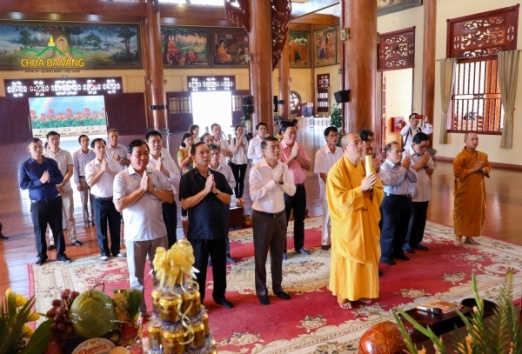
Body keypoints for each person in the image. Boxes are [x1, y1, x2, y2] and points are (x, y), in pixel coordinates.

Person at [113, 139, 174, 323]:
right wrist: (141, 190)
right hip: (135, 235)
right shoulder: (121, 178)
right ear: (130, 156)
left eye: (146, 153)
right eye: (138, 154)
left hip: (158, 232)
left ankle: (159, 309)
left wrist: (152, 189)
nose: (143, 157)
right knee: (137, 278)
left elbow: (170, 197)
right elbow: (119, 204)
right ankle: (141, 311)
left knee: (160, 276)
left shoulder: (156, 173)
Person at [326, 133, 383, 309]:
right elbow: (339, 201)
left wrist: (372, 190)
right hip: (348, 225)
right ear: (345, 148)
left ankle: (364, 291)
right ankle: (345, 294)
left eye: (361, 142)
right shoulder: (336, 171)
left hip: (365, 219)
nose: (361, 145)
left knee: (367, 256)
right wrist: (361, 189)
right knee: (349, 260)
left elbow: (379, 189)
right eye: (356, 143)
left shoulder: (366, 166)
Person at [180, 142, 234, 309]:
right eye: (201, 153)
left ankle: (219, 296)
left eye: (207, 152)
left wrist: (215, 191)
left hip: (218, 229)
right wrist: (205, 190)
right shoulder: (187, 178)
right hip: (198, 232)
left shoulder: (218, 177)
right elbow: (185, 204)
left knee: (219, 267)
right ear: (194, 157)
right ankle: (198, 300)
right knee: (199, 270)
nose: (206, 155)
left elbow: (228, 199)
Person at [250, 137, 296, 305]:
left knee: (278, 254)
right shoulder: (256, 169)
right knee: (261, 256)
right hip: (262, 217)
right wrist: (273, 182)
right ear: (263, 151)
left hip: (280, 216)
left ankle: (278, 287)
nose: (277, 151)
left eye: (278, 147)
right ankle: (261, 289)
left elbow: (292, 191)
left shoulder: (283, 166)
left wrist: (282, 181)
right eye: (272, 148)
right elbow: (254, 195)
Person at [19, 138, 72, 266]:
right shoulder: (25, 166)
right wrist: (39, 181)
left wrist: (50, 180)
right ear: (28, 149)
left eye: (40, 146)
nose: (38, 149)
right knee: (40, 231)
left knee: (58, 229)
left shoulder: (51, 162)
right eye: (35, 147)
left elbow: (59, 177)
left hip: (54, 201)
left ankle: (61, 254)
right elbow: (23, 184)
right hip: (38, 204)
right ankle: (42, 256)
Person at [378, 141, 417, 265]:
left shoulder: (403, 165)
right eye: (397, 152)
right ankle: (386, 255)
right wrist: (404, 168)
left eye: (401, 151)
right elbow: (392, 181)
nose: (400, 154)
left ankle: (398, 251)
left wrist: (407, 167)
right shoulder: (384, 167)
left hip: (405, 198)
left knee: (403, 227)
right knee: (389, 228)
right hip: (391, 199)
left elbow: (414, 179)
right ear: (388, 154)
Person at [85, 138, 124, 261]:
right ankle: (104, 253)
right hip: (99, 200)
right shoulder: (90, 166)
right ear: (93, 150)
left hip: (113, 200)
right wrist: (102, 171)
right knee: (101, 228)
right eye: (98, 147)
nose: (101, 149)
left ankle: (116, 250)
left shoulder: (113, 163)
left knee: (115, 226)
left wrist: (109, 170)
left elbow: (121, 178)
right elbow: (90, 183)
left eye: (103, 146)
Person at [279, 122, 311, 258]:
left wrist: (298, 156)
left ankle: (299, 246)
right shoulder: (278, 149)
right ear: (282, 133)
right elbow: (279, 170)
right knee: (283, 222)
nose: (293, 136)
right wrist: (292, 156)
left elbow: (308, 165)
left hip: (300, 188)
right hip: (285, 189)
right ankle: (282, 250)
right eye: (290, 133)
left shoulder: (299, 147)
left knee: (300, 219)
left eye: (295, 133)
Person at [453, 132, 491, 247]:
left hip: (478, 189)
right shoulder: (460, 157)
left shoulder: (483, 156)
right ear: (465, 141)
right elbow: (458, 173)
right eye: (472, 139)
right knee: (462, 211)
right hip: (464, 189)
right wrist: (475, 169)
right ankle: (458, 237)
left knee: (474, 212)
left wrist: (482, 170)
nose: (475, 141)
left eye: (476, 139)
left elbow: (488, 167)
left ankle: (469, 237)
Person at [45, 131, 82, 246]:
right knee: (53, 218)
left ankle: (73, 238)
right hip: (52, 192)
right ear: (48, 141)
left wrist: (61, 184)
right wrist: (55, 186)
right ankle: (53, 241)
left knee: (69, 216)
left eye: (57, 139)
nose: (55, 141)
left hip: (66, 189)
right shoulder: (45, 157)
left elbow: (70, 171)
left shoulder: (66, 154)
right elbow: (45, 175)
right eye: (52, 139)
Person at [146, 130, 180, 248]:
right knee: (157, 238)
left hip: (169, 201)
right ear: (147, 143)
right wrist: (156, 171)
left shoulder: (165, 153)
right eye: (153, 142)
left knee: (171, 236)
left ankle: (172, 263)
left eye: (159, 141)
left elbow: (177, 179)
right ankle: (159, 264)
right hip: (154, 204)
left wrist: (165, 171)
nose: (157, 145)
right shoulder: (145, 159)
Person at [402, 133, 434, 253]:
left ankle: (416, 241)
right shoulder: (405, 154)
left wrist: (425, 164)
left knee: (421, 218)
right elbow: (405, 171)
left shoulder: (426, 155)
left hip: (424, 190)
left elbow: (431, 171)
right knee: (411, 219)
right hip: (412, 191)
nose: (425, 149)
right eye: (422, 147)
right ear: (414, 144)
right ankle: (406, 243)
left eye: (427, 147)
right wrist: (421, 164)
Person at [313, 127, 343, 250]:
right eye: (332, 135)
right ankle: (325, 241)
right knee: (327, 215)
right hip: (327, 189)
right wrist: (333, 186)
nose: (335, 138)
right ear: (326, 137)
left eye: (336, 135)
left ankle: (339, 239)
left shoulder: (341, 151)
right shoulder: (320, 153)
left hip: (341, 188)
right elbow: (321, 173)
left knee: (341, 215)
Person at [209, 144, 237, 264]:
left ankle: (226, 253)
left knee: (224, 228)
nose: (215, 156)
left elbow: (233, 182)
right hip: (209, 202)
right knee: (210, 228)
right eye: (212, 154)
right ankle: (210, 256)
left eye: (217, 153)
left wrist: (221, 189)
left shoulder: (226, 168)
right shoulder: (205, 170)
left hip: (223, 201)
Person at [73, 134, 95, 228]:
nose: (85, 142)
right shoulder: (76, 154)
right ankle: (86, 221)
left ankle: (94, 219)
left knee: (93, 200)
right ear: (80, 143)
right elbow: (75, 169)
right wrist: (77, 183)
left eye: (87, 140)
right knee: (84, 202)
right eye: (83, 141)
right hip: (82, 179)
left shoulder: (93, 153)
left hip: (93, 178)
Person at [228, 124, 248, 204]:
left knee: (241, 179)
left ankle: (241, 196)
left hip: (243, 161)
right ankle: (236, 196)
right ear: (236, 131)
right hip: (235, 162)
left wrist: (243, 145)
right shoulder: (233, 140)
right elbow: (232, 152)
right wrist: (237, 145)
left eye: (241, 130)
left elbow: (247, 151)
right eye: (239, 129)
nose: (240, 131)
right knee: (236, 179)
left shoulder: (245, 140)